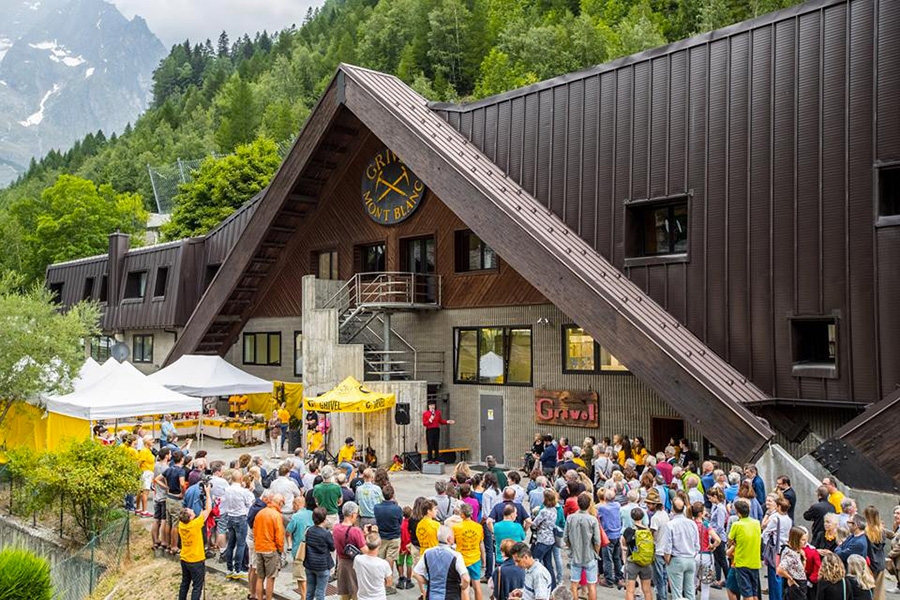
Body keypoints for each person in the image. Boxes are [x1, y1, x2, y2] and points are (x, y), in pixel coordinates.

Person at [414, 525, 470, 600]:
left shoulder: (427, 553)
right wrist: (463, 587)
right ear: (449, 538)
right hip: (451, 595)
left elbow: (415, 573)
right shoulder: (456, 556)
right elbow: (466, 578)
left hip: (432, 595)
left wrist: (428, 582)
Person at [659, 496, 699, 600]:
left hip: (676, 559)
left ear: (672, 508)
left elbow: (668, 546)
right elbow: (696, 544)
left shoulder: (670, 525)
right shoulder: (692, 523)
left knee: (677, 593)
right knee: (690, 592)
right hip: (690, 558)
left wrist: (667, 559)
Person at [177, 481, 213, 600]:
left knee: (184, 584)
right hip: (196, 560)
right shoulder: (195, 525)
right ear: (191, 517)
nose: (192, 510)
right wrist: (207, 493)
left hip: (185, 558)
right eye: (191, 511)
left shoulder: (181, 525)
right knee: (197, 586)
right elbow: (209, 508)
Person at [565, 493, 602, 600]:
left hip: (575, 554)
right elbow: (597, 541)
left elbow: (566, 538)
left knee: (574, 584)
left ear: (578, 503)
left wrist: (571, 547)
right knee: (592, 585)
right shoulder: (592, 519)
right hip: (589, 554)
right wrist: (596, 553)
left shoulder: (570, 518)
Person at [221, 468, 255, 580]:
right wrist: (249, 490)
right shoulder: (243, 491)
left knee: (231, 544)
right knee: (241, 544)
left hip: (230, 517)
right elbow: (250, 503)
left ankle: (229, 568)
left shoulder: (227, 489)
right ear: (241, 479)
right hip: (241, 517)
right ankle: (238, 569)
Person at [727, 498, 762, 600]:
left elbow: (730, 540)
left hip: (742, 562)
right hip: (755, 562)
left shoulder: (736, 524)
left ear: (738, 513)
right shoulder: (756, 523)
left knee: (747, 593)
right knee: (754, 593)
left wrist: (733, 543)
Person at [254, 493, 286, 600]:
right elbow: (279, 536)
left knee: (260, 577)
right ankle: (268, 598)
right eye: (283, 503)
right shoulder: (276, 515)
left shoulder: (260, 513)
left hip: (259, 547)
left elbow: (255, 530)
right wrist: (280, 550)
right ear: (280, 502)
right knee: (270, 578)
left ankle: (259, 598)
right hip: (270, 549)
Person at [374, 484, 404, 595]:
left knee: (380, 558)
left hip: (382, 536)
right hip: (394, 536)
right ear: (392, 495)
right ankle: (388, 584)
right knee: (390, 559)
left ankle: (380, 582)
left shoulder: (377, 507)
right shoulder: (397, 509)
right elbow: (400, 522)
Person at [155, 449, 187, 555]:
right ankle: (174, 546)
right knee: (175, 524)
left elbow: (157, 479)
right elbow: (182, 483)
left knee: (168, 521)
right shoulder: (180, 470)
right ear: (182, 459)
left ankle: (168, 543)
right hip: (177, 498)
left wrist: (166, 487)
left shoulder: (169, 469)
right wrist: (183, 493)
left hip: (168, 497)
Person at [452, 503, 485, 600]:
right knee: (477, 585)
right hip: (475, 558)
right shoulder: (478, 527)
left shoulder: (456, 527)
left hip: (462, 559)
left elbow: (453, 541)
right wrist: (483, 561)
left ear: (462, 514)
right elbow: (480, 542)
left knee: (464, 586)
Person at [762, 495, 793, 600]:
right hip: (784, 549)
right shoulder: (789, 519)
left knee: (774, 577)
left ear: (779, 507)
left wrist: (767, 543)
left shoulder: (775, 519)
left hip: (775, 550)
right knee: (780, 575)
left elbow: (765, 533)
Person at [333, 501, 366, 600]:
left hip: (342, 564)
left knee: (344, 594)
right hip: (354, 565)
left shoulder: (336, 528)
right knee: (356, 593)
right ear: (353, 514)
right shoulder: (356, 531)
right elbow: (365, 550)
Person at [623, 506, 655, 600]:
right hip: (646, 561)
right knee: (647, 590)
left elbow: (625, 544)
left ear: (632, 517)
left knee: (630, 590)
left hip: (633, 561)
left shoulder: (629, 531)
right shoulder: (648, 531)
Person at [529, 489, 559, 589]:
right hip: (550, 539)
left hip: (542, 540)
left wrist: (532, 521)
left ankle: (535, 585)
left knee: (534, 562)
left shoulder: (543, 512)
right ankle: (553, 586)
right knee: (548, 564)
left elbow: (534, 524)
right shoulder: (554, 510)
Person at [304, 507, 335, 600]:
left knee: (309, 592)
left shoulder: (309, 530)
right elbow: (332, 548)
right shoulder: (326, 534)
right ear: (324, 519)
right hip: (322, 565)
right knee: (320, 593)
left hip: (309, 564)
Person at [286, 495, 314, 599]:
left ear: (296, 505)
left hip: (299, 550)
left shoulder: (295, 517)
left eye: (293, 505)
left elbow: (288, 532)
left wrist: (289, 543)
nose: (292, 507)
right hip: (312, 549)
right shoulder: (312, 514)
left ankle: (303, 597)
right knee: (310, 575)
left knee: (301, 576)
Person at [692, 501, 721, 600]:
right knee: (705, 585)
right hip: (706, 555)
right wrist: (713, 545)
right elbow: (718, 539)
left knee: (691, 583)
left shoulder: (691, 524)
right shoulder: (706, 525)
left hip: (693, 555)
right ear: (700, 513)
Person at [645, 488, 670, 600]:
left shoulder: (655, 518)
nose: (647, 506)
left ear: (654, 504)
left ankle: (662, 597)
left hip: (658, 549)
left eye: (649, 504)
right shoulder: (665, 514)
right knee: (664, 577)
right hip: (666, 549)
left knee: (659, 579)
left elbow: (652, 533)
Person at [597, 488, 624, 588]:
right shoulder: (617, 505)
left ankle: (609, 580)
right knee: (616, 557)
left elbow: (597, 517)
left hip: (608, 536)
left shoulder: (602, 508)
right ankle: (619, 577)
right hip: (617, 534)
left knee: (607, 559)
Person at [354, 533, 394, 600]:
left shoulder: (358, 559)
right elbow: (389, 583)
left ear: (366, 543)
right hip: (379, 597)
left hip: (362, 597)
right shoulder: (384, 564)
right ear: (379, 544)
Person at [863, 505, 890, 600]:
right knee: (879, 592)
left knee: (869, 590)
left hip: (870, 564)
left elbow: (868, 550)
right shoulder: (881, 531)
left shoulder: (866, 532)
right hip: (881, 563)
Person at [777, 526, 809, 600]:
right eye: (803, 540)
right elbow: (779, 570)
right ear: (796, 540)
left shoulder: (795, 551)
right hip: (796, 586)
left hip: (799, 584)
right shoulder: (790, 555)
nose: (805, 542)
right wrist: (790, 578)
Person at [151, 447, 171, 551]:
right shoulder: (166, 468)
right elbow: (166, 481)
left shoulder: (156, 465)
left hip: (156, 496)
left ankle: (155, 541)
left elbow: (154, 479)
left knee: (156, 519)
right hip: (163, 496)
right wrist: (167, 487)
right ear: (167, 456)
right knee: (163, 520)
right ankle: (163, 540)